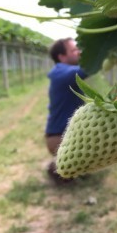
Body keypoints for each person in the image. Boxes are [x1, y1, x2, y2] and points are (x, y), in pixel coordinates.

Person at [45, 38, 86, 181]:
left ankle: (63, 168)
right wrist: (100, 53)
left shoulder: (60, 72)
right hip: (59, 137)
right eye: (74, 50)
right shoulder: (59, 73)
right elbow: (83, 71)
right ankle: (58, 168)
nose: (79, 52)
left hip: (63, 134)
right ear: (61, 56)